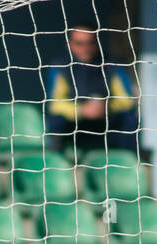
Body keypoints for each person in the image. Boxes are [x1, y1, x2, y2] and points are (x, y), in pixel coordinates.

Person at [45, 22, 139, 157]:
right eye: (80, 43)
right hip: (76, 122)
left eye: (90, 43)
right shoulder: (60, 66)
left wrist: (106, 107)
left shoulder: (112, 64)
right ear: (70, 44)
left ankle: (129, 163)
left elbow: (127, 100)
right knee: (56, 121)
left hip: (106, 120)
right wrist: (81, 110)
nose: (86, 48)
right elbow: (55, 104)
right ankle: (58, 165)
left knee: (130, 120)